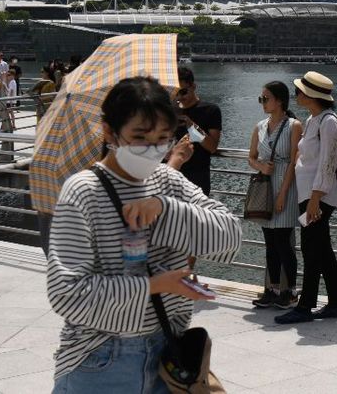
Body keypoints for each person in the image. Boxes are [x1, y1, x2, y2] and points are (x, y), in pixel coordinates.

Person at [46, 76, 241, 391]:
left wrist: (165, 209)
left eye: (163, 138)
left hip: (167, 357)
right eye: (140, 137)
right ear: (109, 131)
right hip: (101, 359)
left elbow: (230, 238)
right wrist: (154, 285)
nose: (153, 149)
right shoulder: (82, 191)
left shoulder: (167, 180)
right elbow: (66, 294)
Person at [275, 71, 337, 324]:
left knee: (311, 249)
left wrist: (316, 198)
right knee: (322, 249)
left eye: (299, 91)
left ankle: (305, 306)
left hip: (319, 197)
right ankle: (336, 302)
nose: (296, 95)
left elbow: (328, 162)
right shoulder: (313, 119)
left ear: (311, 95)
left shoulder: (328, 122)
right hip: (310, 196)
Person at [248, 81, 303, 309]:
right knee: (270, 242)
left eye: (266, 98)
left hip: (285, 188)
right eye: (261, 98)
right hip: (265, 188)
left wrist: (283, 194)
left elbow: (293, 161)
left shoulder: (294, 125)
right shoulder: (259, 127)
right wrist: (261, 167)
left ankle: (289, 290)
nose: (262, 102)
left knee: (283, 242)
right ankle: (271, 289)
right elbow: (251, 157)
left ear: (279, 101)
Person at [172, 67, 222, 196]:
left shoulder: (211, 110)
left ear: (193, 86)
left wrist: (191, 125)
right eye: (175, 92)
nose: (179, 97)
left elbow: (212, 147)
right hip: (171, 175)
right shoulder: (169, 112)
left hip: (198, 178)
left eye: (183, 92)